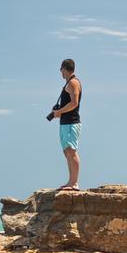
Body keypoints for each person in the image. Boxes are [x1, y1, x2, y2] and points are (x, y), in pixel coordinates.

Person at [48, 58, 82, 190]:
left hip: (71, 123)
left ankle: (74, 183)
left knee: (71, 151)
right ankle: (71, 181)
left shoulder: (73, 82)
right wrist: (58, 113)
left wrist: (59, 112)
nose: (60, 72)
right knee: (67, 151)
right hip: (65, 123)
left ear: (64, 69)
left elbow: (74, 103)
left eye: (60, 69)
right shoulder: (69, 83)